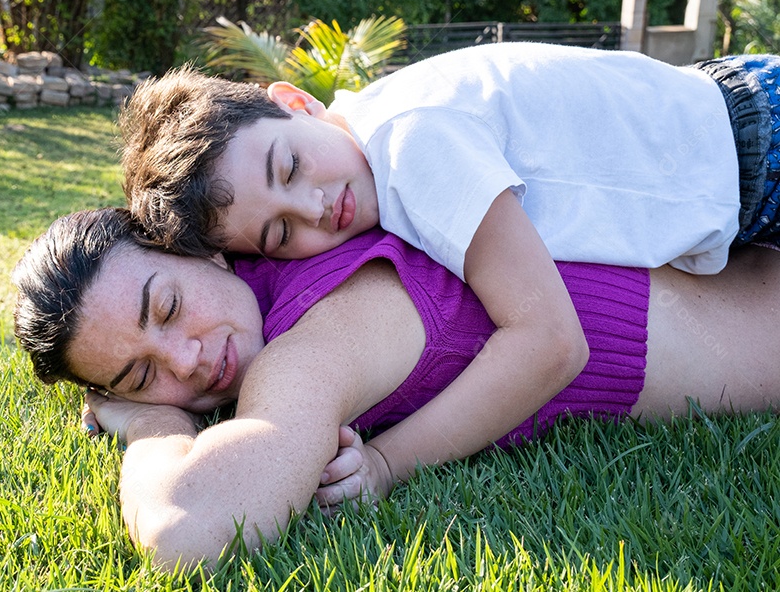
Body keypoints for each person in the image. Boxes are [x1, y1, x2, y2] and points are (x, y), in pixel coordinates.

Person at [118, 43, 780, 473]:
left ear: (295, 103)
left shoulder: (413, 146)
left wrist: (386, 463)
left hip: (759, 145)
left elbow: (551, 343)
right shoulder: (375, 139)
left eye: (289, 166)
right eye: (281, 235)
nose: (315, 207)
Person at [11, 206, 780, 569]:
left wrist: (147, 425)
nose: (186, 362)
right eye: (142, 375)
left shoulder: (312, 335)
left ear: (200, 253)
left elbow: (193, 533)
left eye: (169, 307)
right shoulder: (291, 271)